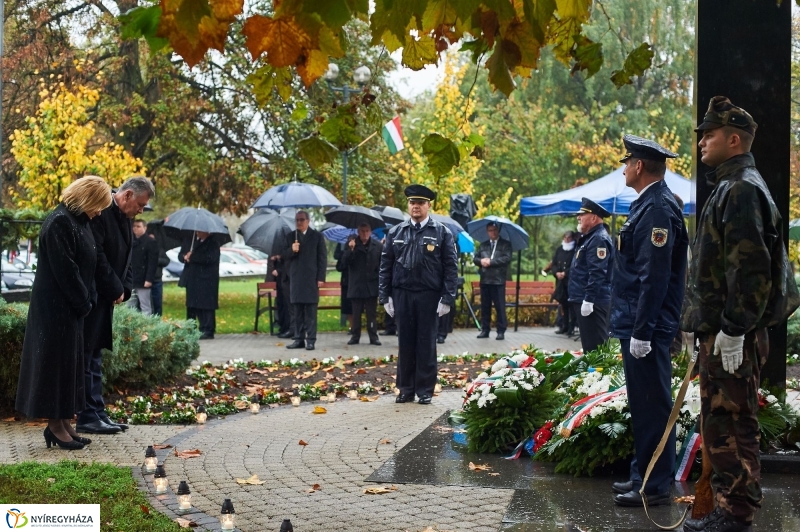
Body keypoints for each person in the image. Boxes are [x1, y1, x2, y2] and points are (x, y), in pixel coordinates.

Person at [680, 97, 800, 532]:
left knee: (731, 424)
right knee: (721, 422)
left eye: (709, 135)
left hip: (734, 334)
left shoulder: (742, 188)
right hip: (725, 331)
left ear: (734, 140)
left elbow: (750, 271)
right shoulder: (732, 186)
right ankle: (731, 509)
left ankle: (735, 515)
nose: (701, 143)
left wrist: (732, 329)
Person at [607, 135, 689, 508]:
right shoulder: (648, 205)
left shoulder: (656, 209)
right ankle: (645, 475)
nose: (624, 168)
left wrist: (642, 331)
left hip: (648, 328)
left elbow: (653, 278)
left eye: (627, 162)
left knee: (653, 404)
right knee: (643, 404)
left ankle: (655, 486)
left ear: (639, 166)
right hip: (639, 323)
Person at [16, 176, 112, 449]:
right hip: (55, 310)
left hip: (70, 309)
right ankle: (54, 425)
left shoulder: (77, 222)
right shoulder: (60, 222)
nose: (100, 212)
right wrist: (84, 302)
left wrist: (85, 302)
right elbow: (65, 270)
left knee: (68, 367)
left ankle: (64, 422)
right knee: (56, 367)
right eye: (99, 205)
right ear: (87, 199)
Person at [78, 175, 154, 435]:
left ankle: (97, 410)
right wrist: (114, 288)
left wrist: (126, 288)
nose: (141, 211)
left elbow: (126, 257)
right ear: (128, 195)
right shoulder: (101, 210)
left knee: (96, 355)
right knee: (88, 355)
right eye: (141, 205)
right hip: (95, 295)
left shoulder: (125, 216)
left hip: (108, 296)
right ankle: (87, 414)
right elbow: (97, 256)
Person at [379, 184, 458, 405]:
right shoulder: (396, 232)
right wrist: (385, 296)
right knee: (405, 343)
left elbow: (451, 268)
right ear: (408, 205)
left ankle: (425, 390)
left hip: (429, 296)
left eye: (421, 203)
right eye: (413, 202)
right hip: (402, 294)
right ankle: (405, 389)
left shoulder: (441, 232)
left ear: (428, 206)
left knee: (426, 343)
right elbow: (385, 266)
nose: (416, 206)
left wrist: (447, 298)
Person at [567, 198, 613, 354]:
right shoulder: (591, 237)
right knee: (590, 346)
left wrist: (589, 299)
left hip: (594, 302)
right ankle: (594, 376)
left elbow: (597, 272)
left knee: (597, 348)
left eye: (582, 215)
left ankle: (601, 378)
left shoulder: (598, 239)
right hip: (585, 299)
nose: (578, 217)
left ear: (594, 218)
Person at [282, 210, 327, 351]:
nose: (299, 222)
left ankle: (311, 340)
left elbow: (322, 258)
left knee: (310, 313)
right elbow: (283, 255)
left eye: (302, 220)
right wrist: (292, 249)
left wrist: (321, 277)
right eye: (297, 220)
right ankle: (298, 339)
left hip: (311, 279)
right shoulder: (291, 237)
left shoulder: (317, 237)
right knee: (297, 312)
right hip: (296, 279)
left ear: (308, 221)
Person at [342, 223, 382, 345]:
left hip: (371, 285)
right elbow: (343, 263)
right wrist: (351, 250)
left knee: (371, 314)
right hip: (357, 285)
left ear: (370, 232)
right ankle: (355, 336)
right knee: (356, 313)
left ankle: (373, 336)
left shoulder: (377, 246)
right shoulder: (351, 244)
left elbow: (382, 265)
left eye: (367, 231)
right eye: (362, 231)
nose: (364, 233)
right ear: (358, 232)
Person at [179, 231, 221, 340]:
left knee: (206, 306)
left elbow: (209, 258)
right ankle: (191, 328)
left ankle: (207, 329)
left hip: (207, 280)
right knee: (193, 305)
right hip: (192, 279)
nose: (197, 232)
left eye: (200, 230)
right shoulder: (191, 241)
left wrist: (192, 257)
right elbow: (181, 255)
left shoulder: (213, 243)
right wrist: (185, 256)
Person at [473, 221, 512, 340]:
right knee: (485, 306)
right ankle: (485, 330)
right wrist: (481, 261)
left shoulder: (505, 244)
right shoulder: (483, 245)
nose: (492, 233)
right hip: (485, 280)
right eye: (490, 230)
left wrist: (491, 262)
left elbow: (506, 259)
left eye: (494, 230)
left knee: (500, 306)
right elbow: (475, 258)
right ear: (487, 232)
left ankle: (501, 330)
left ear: (498, 231)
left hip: (498, 280)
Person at [128, 219, 159, 315]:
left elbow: (152, 262)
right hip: (132, 278)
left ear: (145, 228)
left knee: (145, 305)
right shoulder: (131, 240)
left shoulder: (150, 242)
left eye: (138, 226)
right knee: (130, 305)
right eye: (134, 226)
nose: (135, 228)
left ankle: (147, 327)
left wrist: (149, 279)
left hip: (143, 278)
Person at [550, 231, 577, 336]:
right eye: (565, 237)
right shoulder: (559, 249)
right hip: (560, 282)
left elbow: (575, 265)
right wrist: (556, 272)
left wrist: (565, 273)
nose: (567, 239)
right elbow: (554, 263)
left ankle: (571, 327)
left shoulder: (575, 250)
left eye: (569, 238)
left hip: (570, 281)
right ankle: (564, 326)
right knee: (563, 305)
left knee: (572, 306)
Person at [268, 237, 293, 338]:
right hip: (279, 281)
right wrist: (275, 260)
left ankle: (288, 328)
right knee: (281, 305)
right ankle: (282, 327)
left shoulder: (290, 241)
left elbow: (289, 261)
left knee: (287, 306)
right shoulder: (277, 241)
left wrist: (281, 257)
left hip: (285, 279)